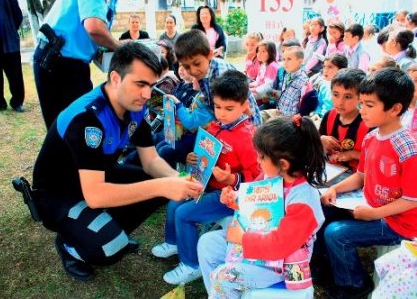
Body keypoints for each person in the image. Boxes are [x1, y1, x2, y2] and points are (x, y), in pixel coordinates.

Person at [31, 42, 203, 282]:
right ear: (115, 77)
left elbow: (151, 160)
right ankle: (69, 245)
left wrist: (178, 180)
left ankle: (105, 226)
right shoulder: (87, 119)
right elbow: (96, 195)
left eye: (151, 85)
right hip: (58, 194)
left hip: (97, 176)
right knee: (111, 247)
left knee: (161, 184)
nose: (146, 94)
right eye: (140, 84)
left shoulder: (134, 106)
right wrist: (164, 185)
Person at [152, 70, 260, 285]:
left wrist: (232, 180)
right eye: (218, 107)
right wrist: (193, 157)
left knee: (184, 213)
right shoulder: (215, 125)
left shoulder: (248, 136)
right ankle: (174, 242)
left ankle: (192, 265)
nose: (221, 114)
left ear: (244, 105)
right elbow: (205, 152)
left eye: (229, 109)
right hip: (206, 183)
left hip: (229, 196)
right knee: (175, 201)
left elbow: (257, 177)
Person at [197, 115, 326, 296]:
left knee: (223, 276)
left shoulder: (304, 200)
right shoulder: (270, 176)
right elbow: (252, 203)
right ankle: (221, 294)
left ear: (283, 163)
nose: (257, 160)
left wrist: (243, 238)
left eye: (262, 156)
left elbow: (281, 246)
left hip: (281, 263)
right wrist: (234, 198)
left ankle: (222, 291)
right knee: (207, 244)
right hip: (255, 242)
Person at [318, 67, 417, 298]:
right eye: (361, 103)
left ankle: (354, 284)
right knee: (323, 208)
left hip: (399, 223)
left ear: (395, 109)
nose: (362, 110)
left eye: (369, 105)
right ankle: (325, 265)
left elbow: (412, 199)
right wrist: (334, 188)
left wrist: (374, 214)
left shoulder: (407, 149)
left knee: (336, 233)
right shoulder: (373, 137)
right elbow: (361, 176)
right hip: (371, 206)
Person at [33, 0, 138, 129]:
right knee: (66, 130)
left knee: (79, 126)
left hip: (70, 64)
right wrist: (118, 46)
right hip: (58, 62)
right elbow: (94, 27)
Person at [173, 29, 262, 127]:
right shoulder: (205, 70)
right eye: (186, 67)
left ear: (210, 54)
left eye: (197, 63)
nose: (193, 71)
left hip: (245, 127)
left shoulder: (220, 76)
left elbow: (234, 111)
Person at [319, 68, 369, 171]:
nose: (340, 102)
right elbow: (316, 143)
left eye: (348, 97)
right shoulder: (329, 115)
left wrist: (354, 154)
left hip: (355, 175)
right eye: (336, 95)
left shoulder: (368, 123)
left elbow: (376, 158)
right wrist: (321, 140)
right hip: (328, 169)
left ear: (360, 98)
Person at [313, 53, 348, 117]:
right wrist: (316, 114)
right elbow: (319, 104)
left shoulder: (346, 89)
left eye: (330, 67)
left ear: (341, 70)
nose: (325, 70)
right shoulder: (324, 85)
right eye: (324, 67)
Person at [249, 40, 280, 108]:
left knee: (246, 96)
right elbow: (258, 81)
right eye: (258, 51)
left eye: (263, 51)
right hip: (263, 90)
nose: (259, 54)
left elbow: (267, 87)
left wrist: (251, 90)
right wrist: (249, 85)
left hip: (272, 94)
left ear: (271, 53)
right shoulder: (263, 64)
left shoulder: (272, 66)